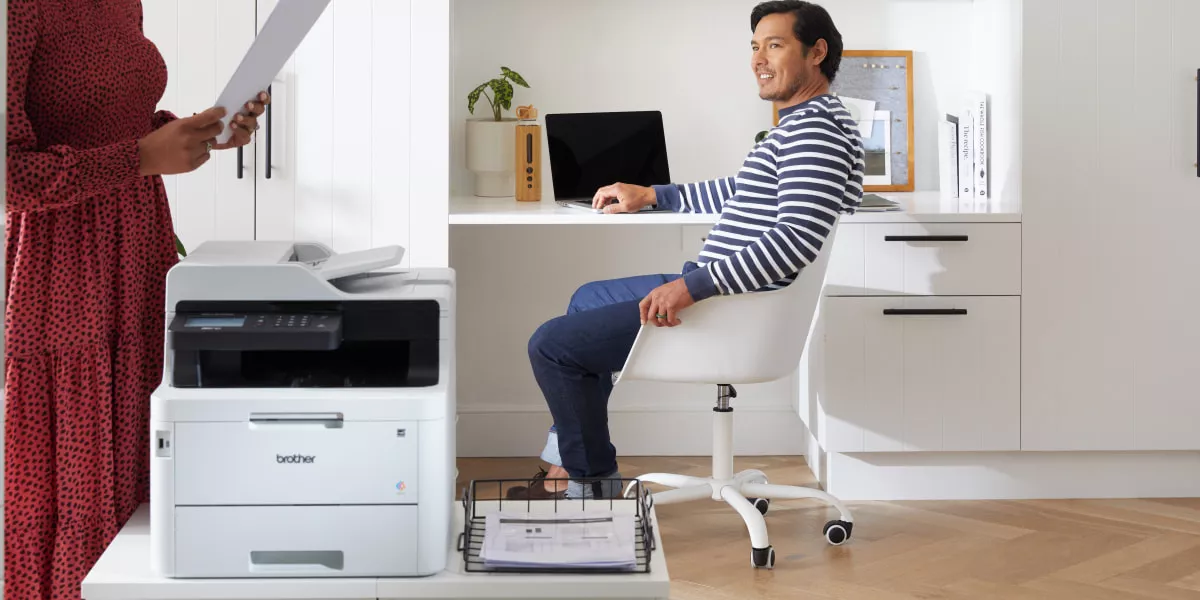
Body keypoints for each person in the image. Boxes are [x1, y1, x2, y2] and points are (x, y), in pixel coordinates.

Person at [508, 0, 866, 500]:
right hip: (726, 294)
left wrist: (690, 287)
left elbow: (793, 242)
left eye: (776, 45)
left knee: (552, 345)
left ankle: (590, 487)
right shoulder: (806, 123)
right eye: (755, 46)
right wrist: (653, 194)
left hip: (732, 309)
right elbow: (740, 190)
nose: (758, 59)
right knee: (588, 298)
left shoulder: (814, 132)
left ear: (816, 52)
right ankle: (565, 466)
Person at [5, 1, 268, 598]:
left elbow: (119, 120)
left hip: (139, 241)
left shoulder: (124, 3)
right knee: (78, 457)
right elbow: (8, 175)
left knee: (141, 432)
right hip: (62, 261)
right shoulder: (19, 9)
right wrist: (143, 157)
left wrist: (202, 133)